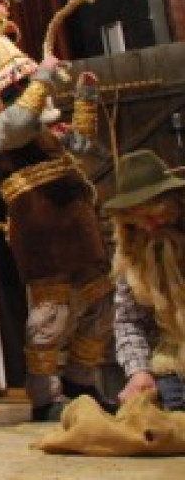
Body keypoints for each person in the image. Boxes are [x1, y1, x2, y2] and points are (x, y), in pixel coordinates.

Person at [0, 0, 114, 422]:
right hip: (40, 227)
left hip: (76, 222)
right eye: (26, 82)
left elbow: (84, 149)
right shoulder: (1, 126)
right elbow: (16, 124)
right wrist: (44, 78)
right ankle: (45, 394)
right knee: (51, 312)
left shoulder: (45, 128)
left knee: (103, 301)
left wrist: (85, 101)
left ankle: (81, 380)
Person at [104, 150, 185, 412]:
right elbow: (129, 320)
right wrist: (139, 371)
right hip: (173, 355)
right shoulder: (131, 251)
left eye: (155, 216)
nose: (149, 227)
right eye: (139, 219)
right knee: (175, 408)